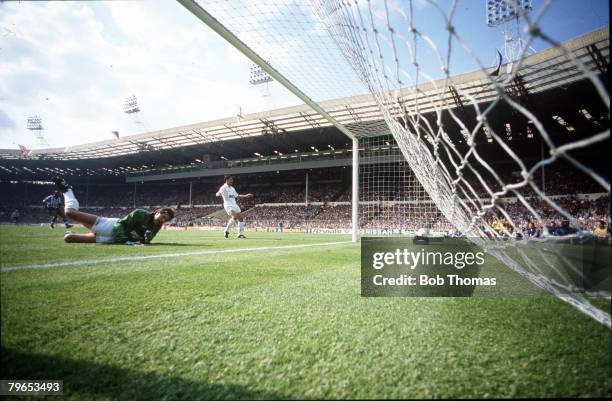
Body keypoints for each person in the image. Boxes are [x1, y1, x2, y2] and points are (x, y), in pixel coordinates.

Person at [52, 177, 175, 244]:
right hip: (111, 227)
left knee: (68, 239)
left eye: (165, 220)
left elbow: (143, 240)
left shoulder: (156, 227)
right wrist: (124, 240)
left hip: (112, 240)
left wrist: (146, 240)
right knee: (70, 213)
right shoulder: (140, 213)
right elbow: (121, 224)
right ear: (157, 211)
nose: (162, 220)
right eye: (163, 217)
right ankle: (67, 191)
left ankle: (71, 231)